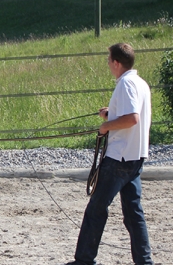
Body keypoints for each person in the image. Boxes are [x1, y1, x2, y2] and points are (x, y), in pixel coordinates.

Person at [66, 43, 153, 265]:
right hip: (136, 156)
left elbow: (132, 118)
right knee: (134, 213)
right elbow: (130, 116)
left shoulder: (125, 84)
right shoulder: (141, 83)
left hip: (119, 158)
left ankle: (84, 260)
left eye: (108, 60)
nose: (107, 64)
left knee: (96, 208)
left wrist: (105, 127)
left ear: (116, 62)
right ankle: (144, 261)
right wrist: (111, 114)